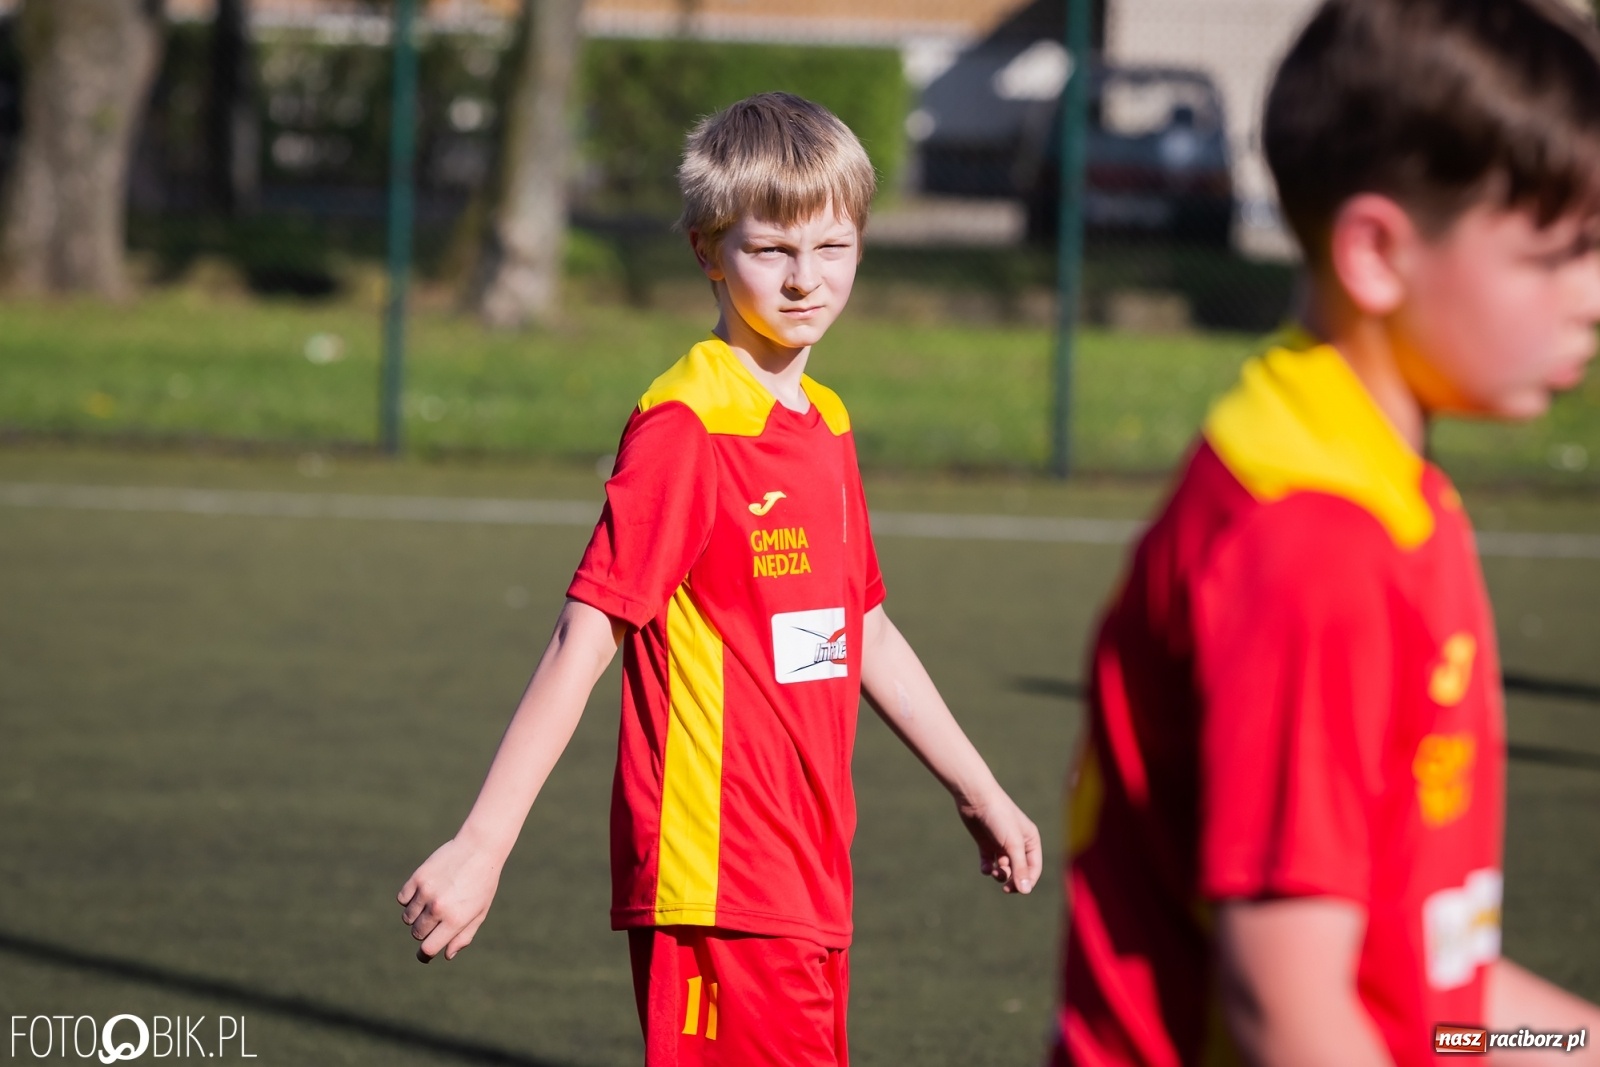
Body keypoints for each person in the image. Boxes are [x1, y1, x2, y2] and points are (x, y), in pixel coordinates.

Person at [398, 92, 1042, 1067]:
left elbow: (860, 626)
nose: (805, 278)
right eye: (771, 250)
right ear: (708, 249)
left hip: (809, 875)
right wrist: (483, 842)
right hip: (720, 881)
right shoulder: (686, 426)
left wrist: (976, 786)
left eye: (831, 247)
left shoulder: (826, 423)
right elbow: (587, 633)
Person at [1049, 1, 1600, 1064]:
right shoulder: (1314, 544)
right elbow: (1287, 1008)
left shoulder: (1376, 483)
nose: (1594, 295)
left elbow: (1425, 994)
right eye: (1559, 253)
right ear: (1378, 254)